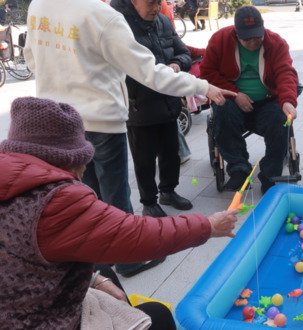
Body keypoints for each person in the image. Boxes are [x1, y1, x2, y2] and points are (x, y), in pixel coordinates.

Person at [24, 0, 236, 277]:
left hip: (61, 122)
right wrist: (203, 86)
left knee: (86, 196)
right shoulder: (102, 16)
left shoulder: (39, 5)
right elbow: (150, 72)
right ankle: (128, 260)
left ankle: (99, 259)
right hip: (101, 121)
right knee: (116, 197)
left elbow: (31, 59)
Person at [0, 97, 238, 329]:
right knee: (158, 315)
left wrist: (95, 279)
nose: (84, 171)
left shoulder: (13, 181)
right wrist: (209, 226)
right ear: (69, 160)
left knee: (102, 270)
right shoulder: (53, 200)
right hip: (35, 319)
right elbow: (137, 235)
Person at [200, 5, 299, 194]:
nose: (254, 42)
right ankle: (239, 169)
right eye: (247, 38)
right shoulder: (219, 40)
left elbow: (286, 74)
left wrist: (288, 100)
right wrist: (235, 94)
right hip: (232, 101)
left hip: (266, 100)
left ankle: (270, 175)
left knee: (280, 121)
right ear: (236, 33)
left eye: (257, 36)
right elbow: (207, 73)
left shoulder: (276, 43)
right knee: (222, 109)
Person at [111, 0, 194, 217]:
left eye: (159, 2)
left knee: (171, 154)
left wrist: (177, 63)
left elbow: (183, 52)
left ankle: (168, 191)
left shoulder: (164, 22)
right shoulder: (117, 24)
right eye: (151, 3)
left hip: (168, 101)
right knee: (144, 159)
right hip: (139, 105)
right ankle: (148, 202)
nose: (156, 7)